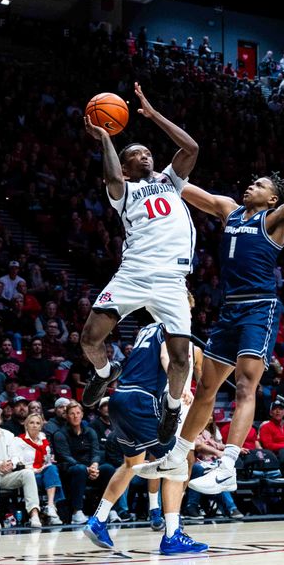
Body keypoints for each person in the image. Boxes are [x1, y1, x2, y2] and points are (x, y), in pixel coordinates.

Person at [137, 130, 284, 496]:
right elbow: (177, 186)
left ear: (273, 198)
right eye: (253, 182)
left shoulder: (275, 221)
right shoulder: (228, 209)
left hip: (258, 308)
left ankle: (228, 465)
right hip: (229, 309)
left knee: (247, 385)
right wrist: (146, 174)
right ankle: (178, 453)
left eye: (260, 184)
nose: (252, 186)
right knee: (205, 387)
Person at [79, 83, 199, 448]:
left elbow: (191, 148)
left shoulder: (170, 181)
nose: (145, 156)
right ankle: (105, 371)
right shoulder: (124, 192)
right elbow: (112, 178)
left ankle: (172, 405)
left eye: (148, 152)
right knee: (89, 338)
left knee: (180, 359)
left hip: (171, 279)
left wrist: (153, 114)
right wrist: (105, 137)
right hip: (134, 273)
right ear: (127, 167)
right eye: (137, 154)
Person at [83, 321, 206, 555]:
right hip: (141, 400)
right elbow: (164, 356)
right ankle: (172, 535)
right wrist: (177, 386)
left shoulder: (148, 329)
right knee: (176, 463)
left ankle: (98, 520)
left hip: (119, 398)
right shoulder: (172, 325)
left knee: (131, 464)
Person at [16, 413, 64, 526]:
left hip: (43, 473)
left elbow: (46, 460)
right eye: (31, 423)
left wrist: (47, 462)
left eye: (37, 423)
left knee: (52, 468)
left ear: (41, 426)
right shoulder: (19, 440)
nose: (34, 425)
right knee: (49, 474)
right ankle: (49, 511)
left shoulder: (44, 440)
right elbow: (16, 461)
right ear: (26, 425)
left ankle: (51, 506)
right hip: (28, 474)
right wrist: (32, 469)